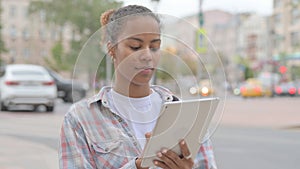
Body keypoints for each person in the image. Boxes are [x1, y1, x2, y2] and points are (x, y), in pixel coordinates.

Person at [59, 5, 217, 169]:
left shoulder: (187, 115)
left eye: (155, 47)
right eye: (135, 46)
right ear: (112, 49)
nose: (147, 56)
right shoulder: (80, 118)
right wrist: (136, 167)